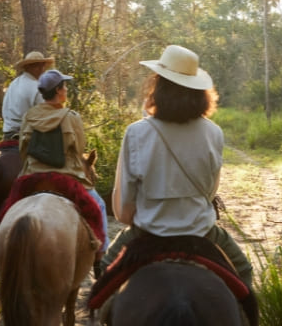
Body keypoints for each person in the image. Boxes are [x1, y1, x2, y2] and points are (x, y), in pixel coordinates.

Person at [100, 44, 253, 290]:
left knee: (105, 269)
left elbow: (124, 205)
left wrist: (139, 218)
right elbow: (210, 192)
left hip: (149, 233)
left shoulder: (137, 132)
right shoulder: (214, 132)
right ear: (198, 91)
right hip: (200, 232)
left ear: (157, 86)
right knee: (243, 271)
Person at [18, 69, 109, 263]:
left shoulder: (29, 116)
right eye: (64, 86)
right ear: (58, 90)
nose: (66, 89)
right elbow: (79, 148)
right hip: (66, 179)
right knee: (99, 205)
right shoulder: (71, 117)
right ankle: (101, 253)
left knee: (7, 209)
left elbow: (22, 149)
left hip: (33, 177)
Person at [1, 50, 54, 140]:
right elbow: (46, 115)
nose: (41, 69)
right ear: (27, 67)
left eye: (42, 65)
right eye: (36, 65)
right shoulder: (37, 87)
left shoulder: (14, 83)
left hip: (8, 133)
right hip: (26, 136)